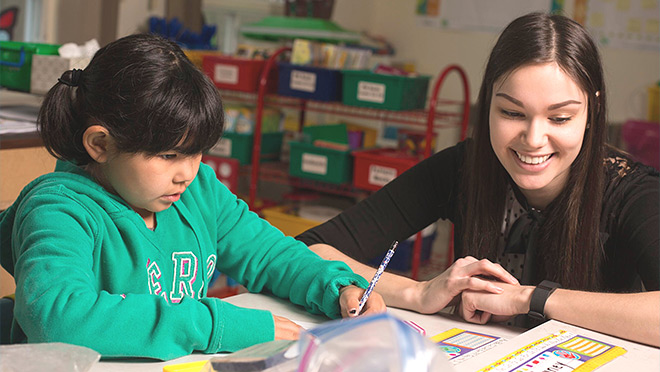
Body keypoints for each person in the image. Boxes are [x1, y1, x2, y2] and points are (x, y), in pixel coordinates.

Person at [0, 33, 385, 360]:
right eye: (168, 155)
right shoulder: (58, 209)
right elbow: (58, 317)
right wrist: (217, 324)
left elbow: (269, 255)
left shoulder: (197, 189)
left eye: (197, 151)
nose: (187, 172)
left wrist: (336, 288)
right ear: (101, 144)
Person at [298, 12, 659, 347]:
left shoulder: (631, 190)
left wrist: (530, 298)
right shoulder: (464, 167)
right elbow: (308, 250)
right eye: (511, 112)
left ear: (592, 110)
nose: (533, 139)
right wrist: (416, 293)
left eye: (560, 118)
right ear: (487, 103)